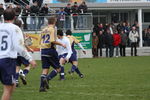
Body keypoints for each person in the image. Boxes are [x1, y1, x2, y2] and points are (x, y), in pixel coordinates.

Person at [0, 8, 36, 100]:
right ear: (14, 17)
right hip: (7, 60)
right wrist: (30, 59)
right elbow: (19, 46)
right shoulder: (15, 28)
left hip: (3, 58)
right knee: (8, 87)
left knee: (12, 84)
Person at [39, 17, 66, 92]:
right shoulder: (53, 29)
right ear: (54, 22)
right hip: (50, 50)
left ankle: (42, 88)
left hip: (43, 50)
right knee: (58, 68)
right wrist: (62, 44)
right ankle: (47, 79)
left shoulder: (43, 30)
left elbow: (40, 41)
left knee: (45, 70)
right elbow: (52, 41)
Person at [14, 19, 34, 87]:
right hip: (21, 52)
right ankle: (23, 74)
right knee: (28, 66)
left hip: (14, 52)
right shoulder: (20, 32)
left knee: (17, 67)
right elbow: (23, 43)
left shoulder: (12, 32)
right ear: (20, 25)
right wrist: (29, 49)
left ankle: (16, 80)